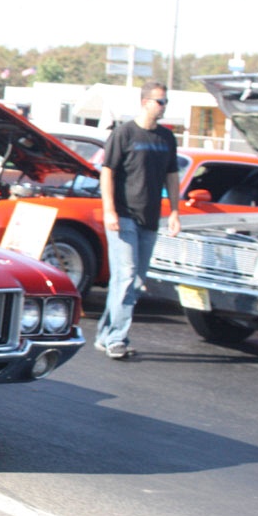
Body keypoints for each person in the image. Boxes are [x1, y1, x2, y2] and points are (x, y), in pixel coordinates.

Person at [95, 81, 181, 360]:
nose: (164, 106)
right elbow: (107, 172)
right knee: (126, 275)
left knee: (133, 280)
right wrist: (109, 210)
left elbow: (172, 176)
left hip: (150, 218)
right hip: (124, 216)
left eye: (165, 101)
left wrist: (175, 212)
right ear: (145, 102)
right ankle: (118, 338)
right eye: (160, 101)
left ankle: (106, 333)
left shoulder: (167, 138)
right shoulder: (124, 133)